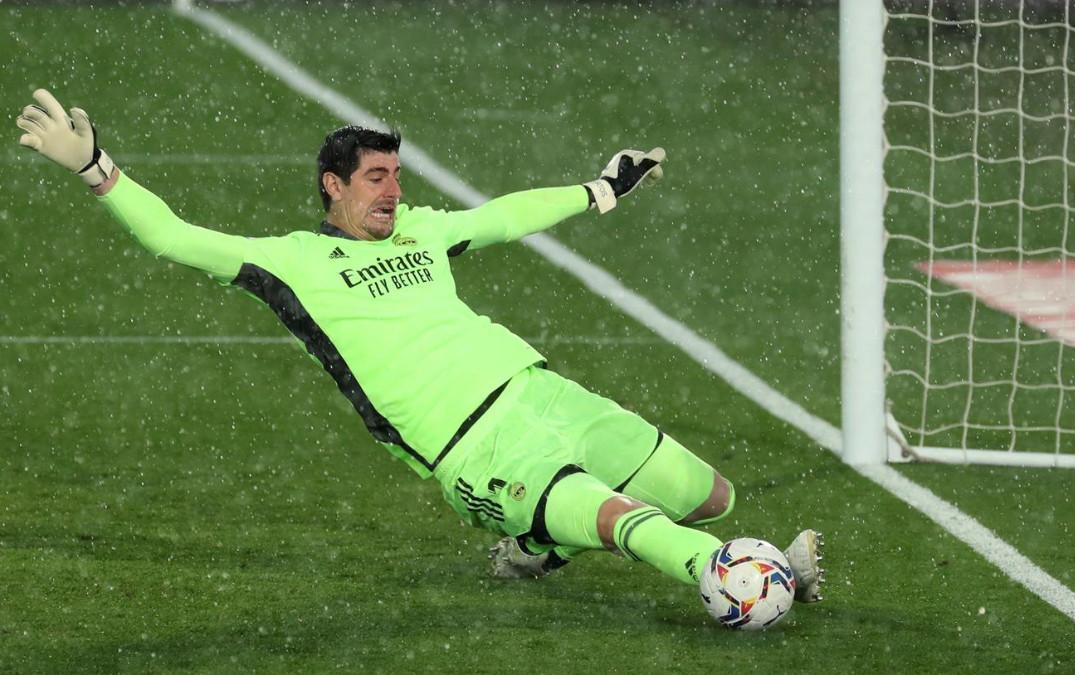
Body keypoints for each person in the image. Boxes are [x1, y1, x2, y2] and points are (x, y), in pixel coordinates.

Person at [15, 88, 824, 613]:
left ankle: (540, 545)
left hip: (539, 391)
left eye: (397, 175)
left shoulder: (422, 232)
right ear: (333, 185)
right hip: (472, 444)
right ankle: (731, 579)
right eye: (376, 177)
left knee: (708, 490)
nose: (393, 191)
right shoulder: (290, 261)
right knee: (620, 519)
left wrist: (599, 188)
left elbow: (502, 216)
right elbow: (176, 237)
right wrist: (95, 168)